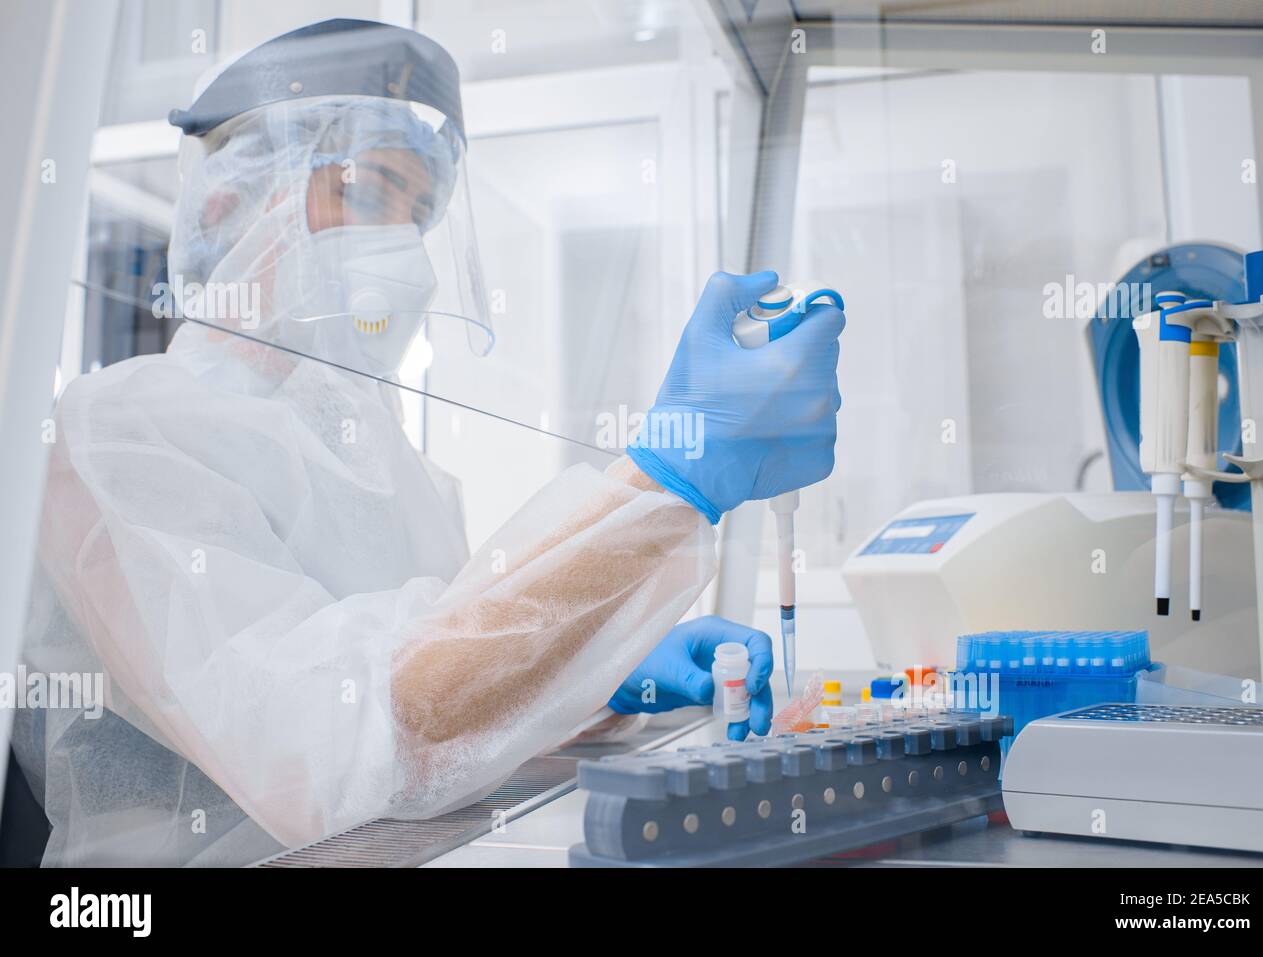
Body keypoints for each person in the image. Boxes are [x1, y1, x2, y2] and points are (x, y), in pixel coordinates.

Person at [12, 19, 844, 865]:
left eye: (418, 213)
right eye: (369, 191)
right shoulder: (117, 435)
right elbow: (334, 749)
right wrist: (665, 486)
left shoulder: (388, 462)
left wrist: (600, 672)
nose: (402, 245)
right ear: (232, 204)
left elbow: (446, 693)